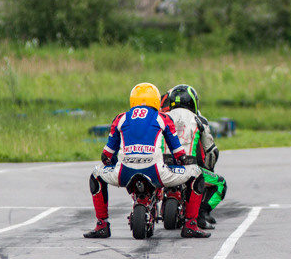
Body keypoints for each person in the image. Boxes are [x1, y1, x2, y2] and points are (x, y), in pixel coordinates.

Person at [84, 82, 211, 239]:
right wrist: (182, 162)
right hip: (156, 172)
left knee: (96, 174)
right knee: (196, 173)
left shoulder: (120, 118)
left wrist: (115, 162)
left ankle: (101, 225)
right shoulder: (162, 118)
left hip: (124, 173)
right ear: (156, 101)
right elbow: (178, 153)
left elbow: (106, 155)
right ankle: (191, 224)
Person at [161, 84, 224, 229]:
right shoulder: (199, 120)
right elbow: (211, 151)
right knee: (220, 184)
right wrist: (208, 168)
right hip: (188, 168)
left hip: (162, 167)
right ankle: (201, 214)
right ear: (193, 102)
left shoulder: (160, 118)